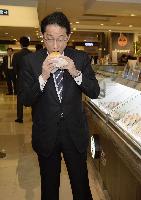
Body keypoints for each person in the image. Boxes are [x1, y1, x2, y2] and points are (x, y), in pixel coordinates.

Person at [18, 11, 100, 200]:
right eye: (50, 39)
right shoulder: (30, 61)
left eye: (61, 39)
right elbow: (25, 99)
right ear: (43, 37)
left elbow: (94, 91)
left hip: (75, 132)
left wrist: (74, 71)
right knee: (49, 188)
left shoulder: (79, 58)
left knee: (81, 186)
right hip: (46, 133)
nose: (55, 45)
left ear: (68, 37)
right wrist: (43, 76)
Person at [13, 36, 32, 123]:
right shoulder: (32, 54)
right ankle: (34, 116)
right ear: (28, 44)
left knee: (19, 99)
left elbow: (15, 69)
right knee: (33, 98)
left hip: (20, 79)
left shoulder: (16, 55)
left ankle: (20, 117)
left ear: (20, 44)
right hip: (31, 80)